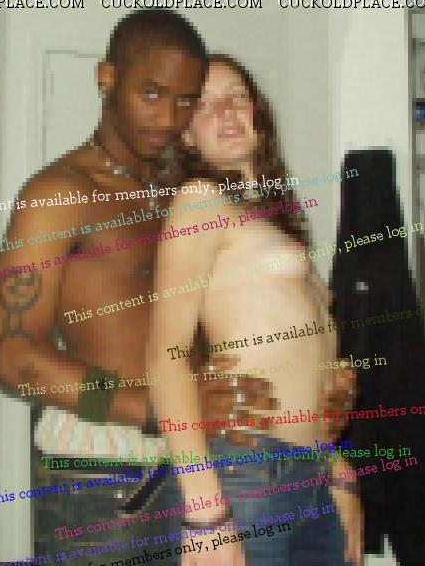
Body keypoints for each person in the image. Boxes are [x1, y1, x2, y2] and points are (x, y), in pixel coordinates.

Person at [0, 11, 276, 559]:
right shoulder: (59, 194)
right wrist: (154, 409)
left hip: (198, 462)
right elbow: (12, 356)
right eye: (151, 93)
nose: (168, 117)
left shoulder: (184, 192)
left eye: (185, 100)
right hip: (101, 474)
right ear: (107, 78)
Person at [146, 55, 363, 566]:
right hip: (246, 470)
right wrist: (204, 510)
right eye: (204, 103)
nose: (226, 110)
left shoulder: (274, 220)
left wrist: (337, 468)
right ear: (186, 135)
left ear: (256, 114)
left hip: (310, 471)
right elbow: (164, 353)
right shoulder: (200, 201)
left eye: (237, 95)